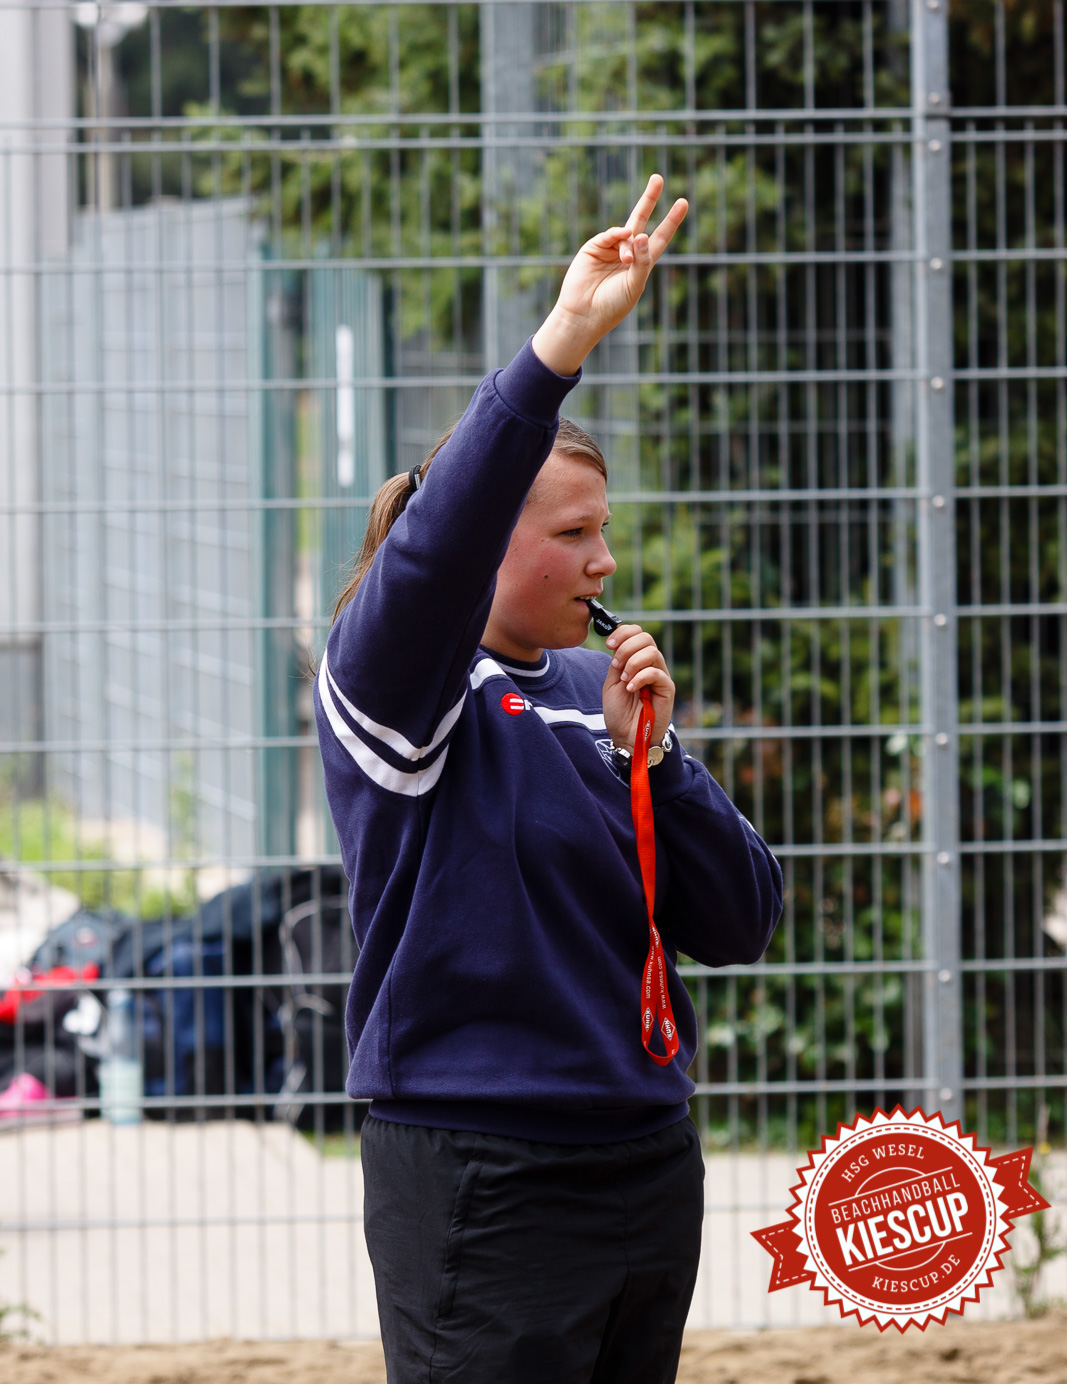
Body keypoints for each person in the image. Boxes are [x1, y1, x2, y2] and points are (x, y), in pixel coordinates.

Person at [315, 175, 783, 1384]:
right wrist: (561, 342)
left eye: (602, 528)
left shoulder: (591, 689)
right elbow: (433, 558)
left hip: (643, 1158)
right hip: (483, 1171)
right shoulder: (397, 684)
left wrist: (656, 761)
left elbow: (739, 921)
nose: (603, 558)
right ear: (484, 541)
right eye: (572, 533)